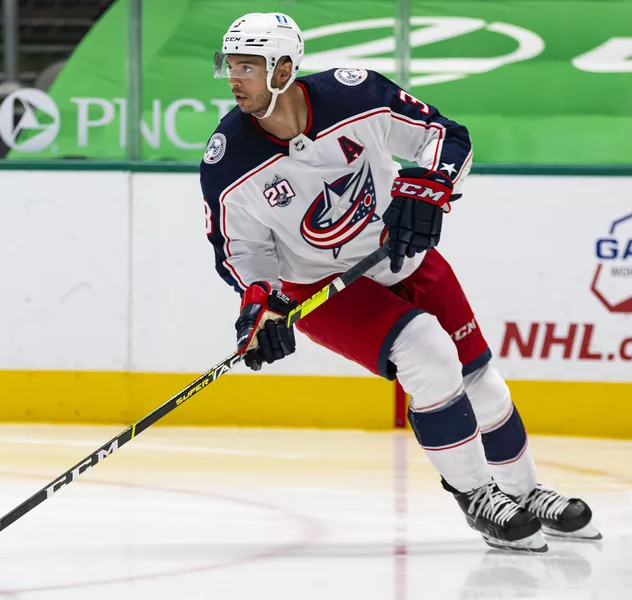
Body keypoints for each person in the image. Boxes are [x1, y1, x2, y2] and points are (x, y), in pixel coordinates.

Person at [199, 12, 601, 552]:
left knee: (482, 382)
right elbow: (239, 250)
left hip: (405, 255)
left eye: (247, 66)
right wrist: (262, 304)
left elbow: (444, 136)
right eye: (231, 65)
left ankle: (526, 493)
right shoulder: (229, 159)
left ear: (284, 69)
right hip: (321, 286)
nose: (234, 79)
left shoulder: (356, 95)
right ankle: (478, 496)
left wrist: (426, 189)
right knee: (430, 356)